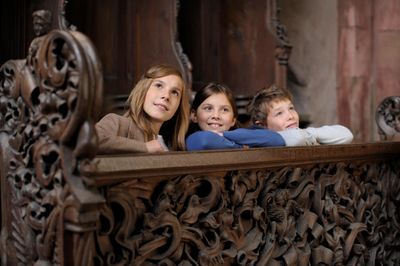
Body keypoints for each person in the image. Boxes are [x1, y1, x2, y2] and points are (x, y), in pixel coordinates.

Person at [96, 64, 190, 154]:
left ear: (179, 106)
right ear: (143, 90)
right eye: (159, 86)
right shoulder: (117, 122)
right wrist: (145, 147)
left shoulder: (174, 145)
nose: (166, 96)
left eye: (174, 92)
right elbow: (92, 141)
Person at [242, 84, 354, 146]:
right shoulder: (263, 144)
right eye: (279, 113)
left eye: (291, 108)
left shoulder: (305, 135)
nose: (290, 116)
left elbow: (346, 135)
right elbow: (296, 139)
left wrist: (307, 133)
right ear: (262, 125)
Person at [186, 82, 286, 151]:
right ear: (194, 115)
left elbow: (277, 139)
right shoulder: (192, 138)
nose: (216, 116)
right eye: (208, 108)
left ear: (233, 120)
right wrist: (242, 148)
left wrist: (225, 135)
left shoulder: (240, 134)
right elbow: (204, 140)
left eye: (224, 110)